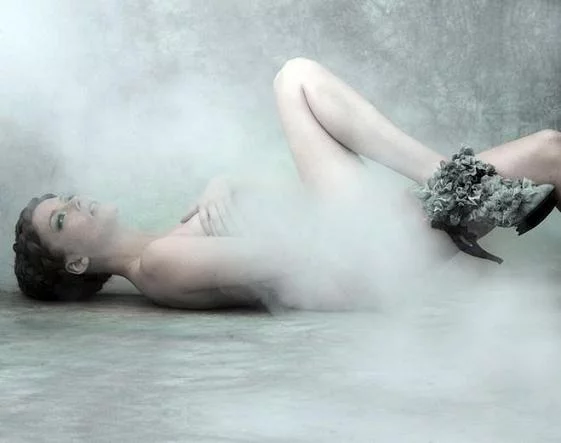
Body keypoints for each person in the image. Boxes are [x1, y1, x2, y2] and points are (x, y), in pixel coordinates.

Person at [12, 57, 561, 309]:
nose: (75, 202)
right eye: (62, 218)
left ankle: (450, 179)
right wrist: (394, 221)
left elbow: (287, 217)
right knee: (548, 153)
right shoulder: (157, 263)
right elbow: (300, 255)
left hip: (356, 236)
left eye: (66, 198)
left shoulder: (167, 241)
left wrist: (230, 182)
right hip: (360, 257)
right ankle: (451, 181)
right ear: (76, 264)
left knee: (295, 77)